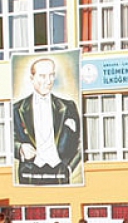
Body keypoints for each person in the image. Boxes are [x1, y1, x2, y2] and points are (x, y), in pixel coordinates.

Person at [13, 57, 81, 185]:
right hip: (29, 173)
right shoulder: (17, 109)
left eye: (51, 75)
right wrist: (20, 148)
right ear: (32, 78)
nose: (48, 81)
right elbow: (8, 139)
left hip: (60, 173)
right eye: (43, 76)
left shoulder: (68, 107)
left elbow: (81, 141)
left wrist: (69, 168)